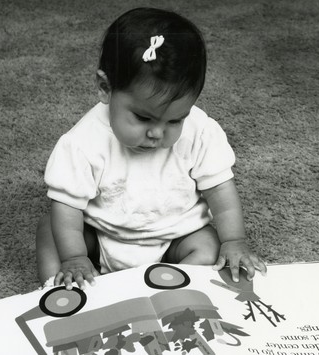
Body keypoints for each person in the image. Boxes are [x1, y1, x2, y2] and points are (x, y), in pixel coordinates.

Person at [36, 7, 267, 290]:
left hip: (174, 238)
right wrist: (74, 256)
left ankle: (167, 290)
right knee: (51, 230)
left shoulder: (201, 132)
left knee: (208, 246)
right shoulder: (81, 143)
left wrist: (234, 240)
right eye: (143, 117)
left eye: (175, 119)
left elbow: (220, 189)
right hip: (101, 235)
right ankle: (56, 288)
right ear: (105, 87)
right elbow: (67, 205)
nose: (157, 133)